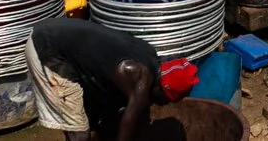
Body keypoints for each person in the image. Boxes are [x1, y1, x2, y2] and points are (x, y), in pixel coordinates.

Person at [27, 18, 165, 141]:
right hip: (48, 49)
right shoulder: (139, 75)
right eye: (163, 99)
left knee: (92, 124)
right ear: (159, 87)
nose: (160, 103)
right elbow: (130, 119)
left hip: (60, 38)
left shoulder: (149, 54)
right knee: (80, 133)